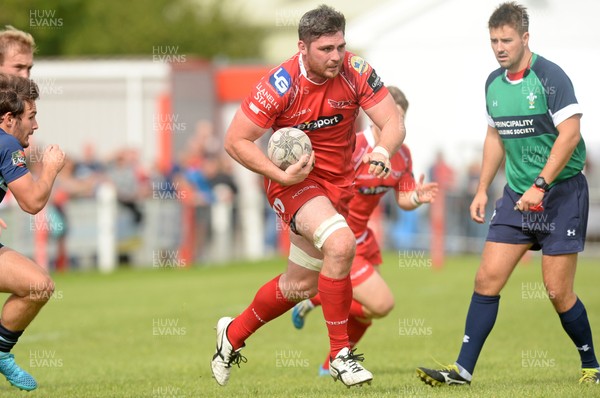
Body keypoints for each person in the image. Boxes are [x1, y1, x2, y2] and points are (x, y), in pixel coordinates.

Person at [211, 4, 405, 388]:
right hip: (294, 184)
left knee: (300, 286)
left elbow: (392, 121)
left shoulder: (356, 70)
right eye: (326, 49)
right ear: (302, 47)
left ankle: (231, 335)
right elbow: (236, 141)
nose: (336, 57)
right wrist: (279, 173)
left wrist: (382, 150)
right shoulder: (279, 84)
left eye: (340, 47)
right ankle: (340, 356)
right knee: (341, 243)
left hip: (338, 187)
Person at [416, 1, 599, 386]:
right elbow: (494, 136)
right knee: (486, 279)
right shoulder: (493, 83)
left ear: (525, 38)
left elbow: (571, 136)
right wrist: (482, 188)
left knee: (556, 291)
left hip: (561, 194)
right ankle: (462, 372)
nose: (499, 47)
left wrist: (541, 185)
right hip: (517, 197)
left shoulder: (551, 78)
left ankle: (592, 366)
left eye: (507, 40)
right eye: (494, 41)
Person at [290, 86, 438, 375]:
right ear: (374, 118)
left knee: (369, 313)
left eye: (401, 120)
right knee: (382, 304)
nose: (395, 125)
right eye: (390, 118)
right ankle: (317, 297)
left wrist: (417, 197)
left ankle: (328, 366)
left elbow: (404, 198)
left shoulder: (403, 154)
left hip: (365, 241)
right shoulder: (354, 147)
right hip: (341, 238)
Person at [0, 73, 65, 391]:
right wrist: (51, 168)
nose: (36, 125)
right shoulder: (7, 142)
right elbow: (32, 202)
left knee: (38, 285)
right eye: (32, 116)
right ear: (9, 119)